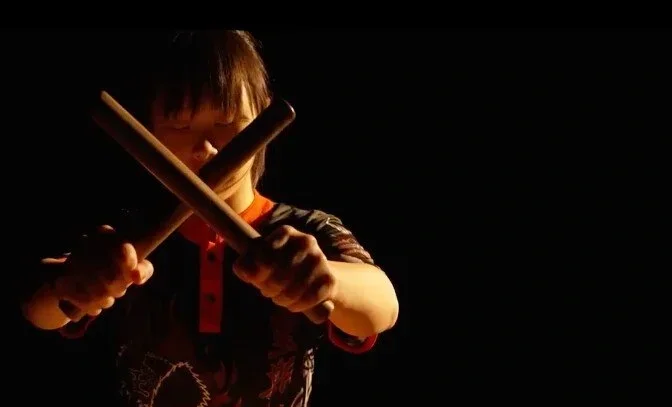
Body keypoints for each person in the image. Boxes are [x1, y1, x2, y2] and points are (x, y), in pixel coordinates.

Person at [22, 30, 399, 407]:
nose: (205, 148)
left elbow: (383, 305)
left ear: (264, 116)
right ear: (148, 129)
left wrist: (328, 281)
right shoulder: (126, 235)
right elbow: (39, 309)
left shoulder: (305, 230)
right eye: (181, 126)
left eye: (227, 121)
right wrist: (69, 286)